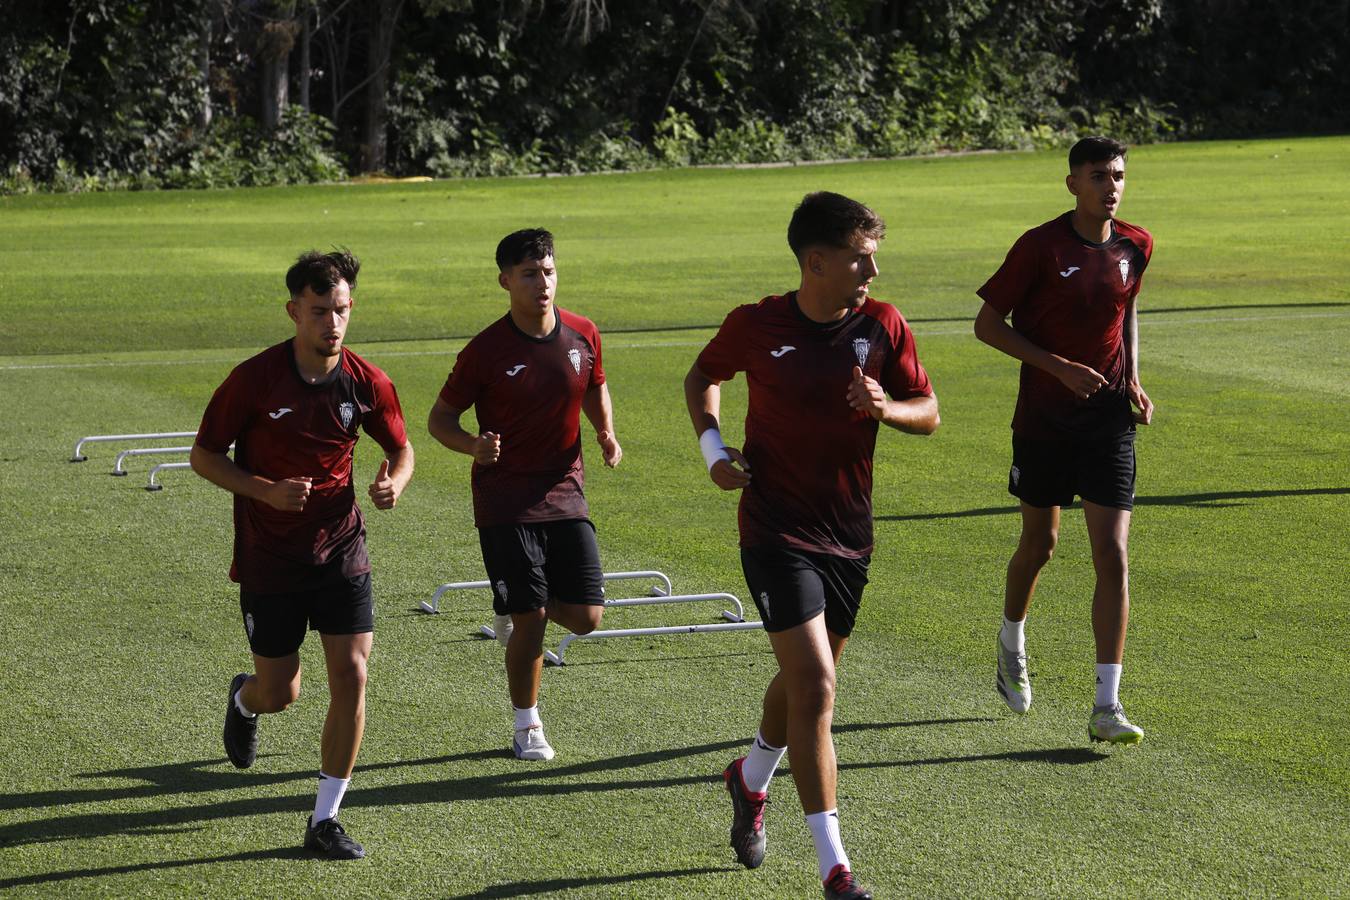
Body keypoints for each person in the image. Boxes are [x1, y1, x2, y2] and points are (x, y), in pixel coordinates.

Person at [685, 192, 939, 900]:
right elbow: (701, 377)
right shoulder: (756, 324)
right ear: (816, 261)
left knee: (804, 684)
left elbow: (930, 411)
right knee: (819, 686)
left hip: (849, 537)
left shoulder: (884, 325)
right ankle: (836, 869)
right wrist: (713, 449)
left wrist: (887, 406)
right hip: (773, 530)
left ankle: (749, 777)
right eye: (862, 257)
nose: (873, 270)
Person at [191, 249, 414, 860]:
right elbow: (204, 455)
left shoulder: (368, 382)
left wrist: (395, 479)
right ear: (294, 311)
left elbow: (402, 448)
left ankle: (324, 818)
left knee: (352, 676)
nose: (332, 324)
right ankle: (245, 699)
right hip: (271, 559)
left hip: (342, 548)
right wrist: (265, 490)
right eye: (319, 312)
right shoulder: (254, 380)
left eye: (341, 310)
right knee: (281, 691)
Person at [973, 135, 1155, 744]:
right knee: (1041, 544)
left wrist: (1133, 377)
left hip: (1107, 422)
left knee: (1113, 553)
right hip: (1045, 423)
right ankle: (1011, 640)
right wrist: (1058, 367)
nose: (1112, 186)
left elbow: (1126, 308)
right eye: (1100, 175)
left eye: (1120, 175)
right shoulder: (1040, 247)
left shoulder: (1136, 244)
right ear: (1072, 182)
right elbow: (986, 325)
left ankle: (1107, 705)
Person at [427, 228, 621, 763]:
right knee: (532, 618)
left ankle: (517, 604)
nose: (543, 283)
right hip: (504, 498)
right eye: (531, 274)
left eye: (550, 271)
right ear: (505, 280)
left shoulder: (583, 333)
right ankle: (526, 724)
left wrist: (605, 431)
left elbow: (595, 383)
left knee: (586, 618)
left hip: (565, 490)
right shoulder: (485, 351)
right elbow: (440, 419)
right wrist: (472, 445)